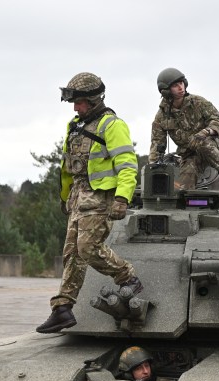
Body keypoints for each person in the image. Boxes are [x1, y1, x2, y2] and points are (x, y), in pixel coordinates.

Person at [37, 72, 143, 333]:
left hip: (101, 197)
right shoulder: (74, 126)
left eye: (80, 102)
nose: (75, 107)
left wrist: (122, 197)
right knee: (71, 254)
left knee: (87, 248)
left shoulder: (112, 125)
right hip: (78, 197)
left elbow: (128, 165)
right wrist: (65, 198)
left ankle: (127, 276)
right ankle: (62, 308)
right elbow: (66, 167)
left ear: (94, 100)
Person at [149, 67, 219, 191]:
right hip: (189, 154)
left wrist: (206, 132)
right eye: (175, 85)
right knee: (183, 189)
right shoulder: (161, 117)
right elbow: (156, 145)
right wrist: (153, 169)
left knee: (200, 140)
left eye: (181, 83)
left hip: (214, 147)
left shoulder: (199, 103)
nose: (181, 87)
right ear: (166, 91)